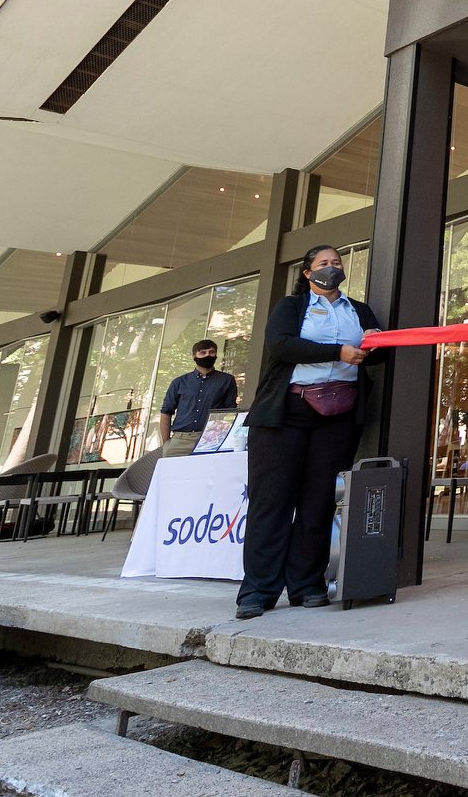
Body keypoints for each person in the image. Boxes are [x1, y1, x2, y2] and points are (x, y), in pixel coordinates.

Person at [236, 245, 384, 620]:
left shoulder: (358, 310)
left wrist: (377, 341)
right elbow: (281, 345)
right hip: (285, 414)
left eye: (336, 263)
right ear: (307, 272)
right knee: (272, 502)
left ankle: (307, 585)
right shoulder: (292, 306)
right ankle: (258, 591)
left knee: (318, 503)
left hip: (337, 416)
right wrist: (338, 352)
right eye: (323, 264)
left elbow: (374, 354)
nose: (331, 269)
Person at [158, 339, 239, 457]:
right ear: (194, 356)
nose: (207, 355)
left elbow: (230, 412)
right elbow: (166, 412)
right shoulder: (179, 382)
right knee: (172, 475)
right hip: (180, 441)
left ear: (216, 354)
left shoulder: (227, 380)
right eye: (203, 352)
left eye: (211, 352)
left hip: (211, 440)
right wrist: (166, 443)